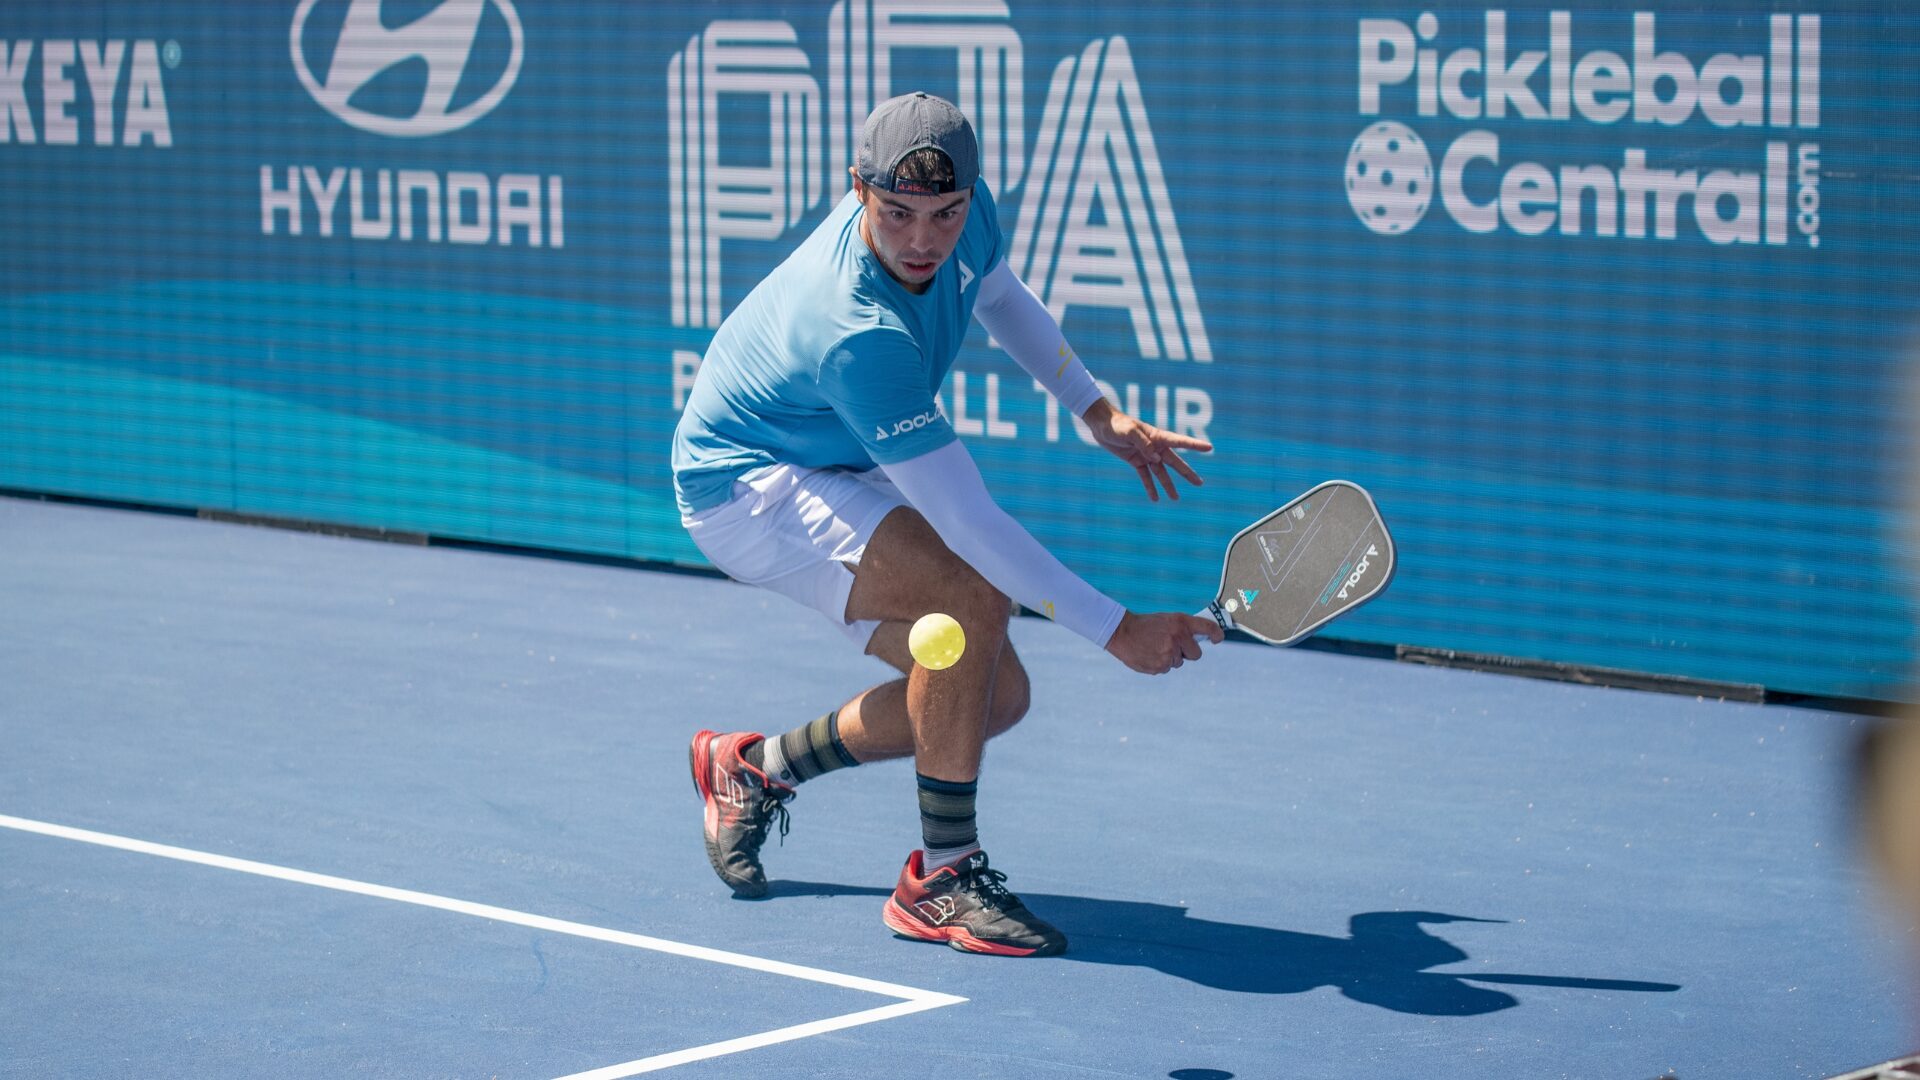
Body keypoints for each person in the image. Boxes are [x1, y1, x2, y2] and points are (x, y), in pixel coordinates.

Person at [671, 91, 1223, 957]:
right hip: (745, 482)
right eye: (896, 214)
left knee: (989, 695)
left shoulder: (964, 215)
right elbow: (969, 525)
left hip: (822, 457)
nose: (923, 240)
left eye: (944, 214)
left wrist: (1096, 409)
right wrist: (1117, 630)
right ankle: (943, 878)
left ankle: (755, 769)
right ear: (858, 192)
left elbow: (1000, 296)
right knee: (971, 599)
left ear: (970, 196)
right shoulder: (855, 331)